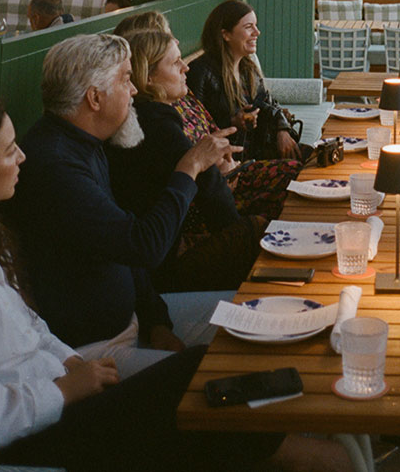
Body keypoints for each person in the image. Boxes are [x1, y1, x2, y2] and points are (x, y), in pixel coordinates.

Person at [0, 95, 348, 472]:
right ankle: (307, 453)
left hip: (67, 380)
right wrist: (63, 390)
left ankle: (302, 441)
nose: (22, 157)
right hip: (39, 430)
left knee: (208, 372)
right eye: (8, 151)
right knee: (197, 374)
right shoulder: (57, 165)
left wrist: (70, 359)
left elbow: (29, 326)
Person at [3, 33, 235, 376]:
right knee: (221, 373)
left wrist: (156, 320)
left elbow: (122, 247)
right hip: (94, 353)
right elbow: (143, 246)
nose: (134, 90)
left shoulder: (87, 143)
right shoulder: (55, 165)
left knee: (257, 315)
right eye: (125, 79)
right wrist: (190, 167)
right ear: (94, 98)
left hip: (137, 324)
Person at [107, 29, 289, 291]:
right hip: (164, 264)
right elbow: (212, 194)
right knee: (258, 231)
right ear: (147, 78)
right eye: (175, 62)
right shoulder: (158, 123)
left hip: (167, 243)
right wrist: (237, 236)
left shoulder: (148, 116)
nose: (186, 68)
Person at [187, 0, 305, 161]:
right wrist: (232, 122)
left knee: (315, 157)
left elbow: (269, 103)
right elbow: (193, 128)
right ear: (226, 34)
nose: (257, 32)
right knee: (296, 169)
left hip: (258, 152)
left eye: (255, 26)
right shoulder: (200, 71)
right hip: (229, 163)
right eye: (249, 27)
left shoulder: (248, 69)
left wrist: (282, 130)